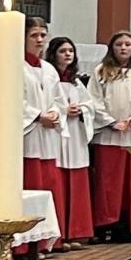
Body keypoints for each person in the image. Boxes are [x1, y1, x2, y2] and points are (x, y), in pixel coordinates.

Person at [89, 31, 131, 241]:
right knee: (109, 183)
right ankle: (106, 224)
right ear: (112, 48)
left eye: (127, 44)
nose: (123, 48)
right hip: (109, 136)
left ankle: (129, 226)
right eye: (119, 44)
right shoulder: (101, 71)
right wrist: (111, 122)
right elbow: (94, 100)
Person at [46, 37, 99, 245]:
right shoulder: (50, 78)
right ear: (53, 54)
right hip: (58, 134)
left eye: (70, 51)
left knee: (76, 182)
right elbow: (47, 105)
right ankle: (60, 235)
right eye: (62, 51)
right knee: (59, 181)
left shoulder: (76, 81)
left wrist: (82, 110)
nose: (68, 54)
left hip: (75, 134)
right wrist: (63, 111)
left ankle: (76, 232)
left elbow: (90, 105)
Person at [19, 18, 62, 221]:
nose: (39, 40)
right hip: (28, 135)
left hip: (48, 136)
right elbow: (11, 99)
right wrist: (37, 116)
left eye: (43, 35)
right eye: (33, 35)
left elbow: (58, 99)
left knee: (49, 183)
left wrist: (55, 113)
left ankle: (48, 234)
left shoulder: (49, 69)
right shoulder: (15, 66)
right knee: (31, 184)